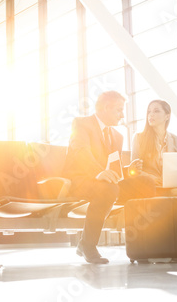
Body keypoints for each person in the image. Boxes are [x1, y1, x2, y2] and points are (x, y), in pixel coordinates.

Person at [63, 91, 156, 264]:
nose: (122, 115)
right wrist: (98, 172)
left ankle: (141, 244)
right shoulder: (81, 124)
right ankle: (87, 245)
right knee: (108, 188)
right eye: (119, 110)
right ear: (106, 107)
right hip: (80, 180)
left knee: (146, 183)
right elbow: (81, 150)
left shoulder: (117, 136)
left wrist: (128, 170)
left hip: (105, 182)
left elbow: (113, 167)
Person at [131, 99, 177, 203]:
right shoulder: (139, 138)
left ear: (167, 116)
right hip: (151, 184)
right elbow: (134, 169)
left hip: (172, 183)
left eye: (156, 111)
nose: (151, 115)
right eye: (149, 111)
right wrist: (151, 177)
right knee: (175, 193)